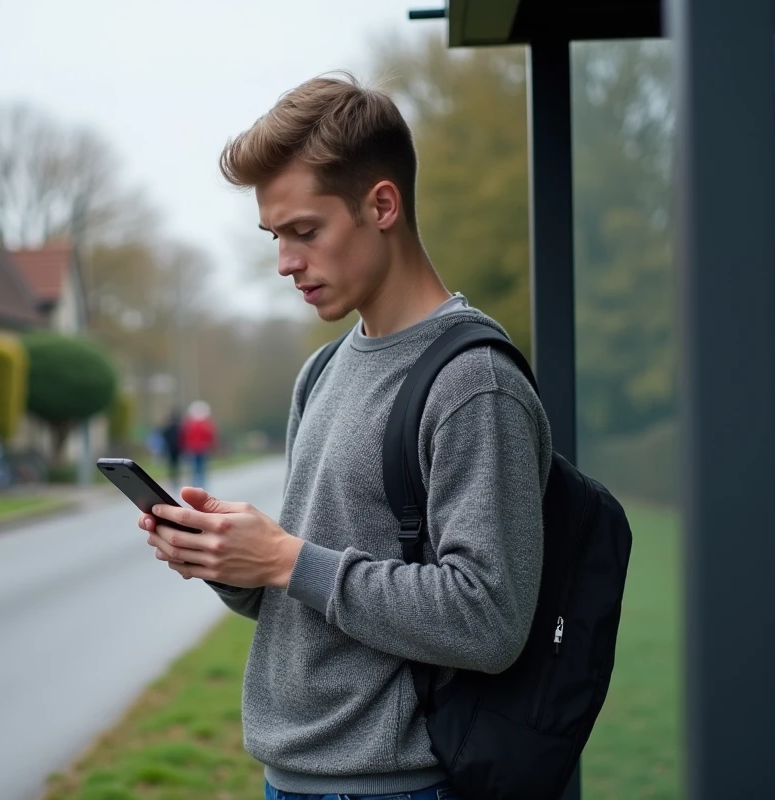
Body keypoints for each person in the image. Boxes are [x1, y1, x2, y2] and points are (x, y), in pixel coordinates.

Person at [136, 71, 552, 800]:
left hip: (403, 788)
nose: (285, 263)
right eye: (275, 236)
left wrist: (287, 557)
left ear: (381, 204)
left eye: (305, 232)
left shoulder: (472, 383)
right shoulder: (321, 371)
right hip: (289, 780)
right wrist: (231, 563)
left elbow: (489, 619)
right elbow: (298, 591)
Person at [178, 400, 216, 489]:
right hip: (197, 448)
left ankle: (198, 486)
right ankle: (198, 486)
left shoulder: (192, 423)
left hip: (199, 449)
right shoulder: (203, 423)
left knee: (198, 468)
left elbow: (186, 436)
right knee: (198, 469)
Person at [158, 407, 184, 489]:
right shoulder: (178, 427)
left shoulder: (170, 427)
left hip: (171, 448)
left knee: (172, 464)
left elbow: (163, 434)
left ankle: (173, 478)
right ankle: (175, 478)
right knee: (175, 464)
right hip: (175, 448)